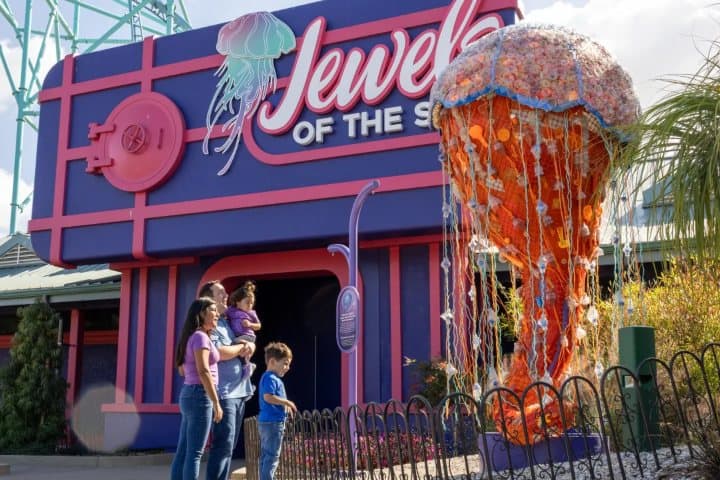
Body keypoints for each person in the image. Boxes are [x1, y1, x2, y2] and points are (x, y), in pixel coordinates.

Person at [199, 280, 257, 480]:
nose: (226, 296)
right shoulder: (210, 325)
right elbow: (219, 352)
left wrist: (249, 346)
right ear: (209, 299)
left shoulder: (226, 321)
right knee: (223, 444)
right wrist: (241, 348)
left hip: (240, 390)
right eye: (220, 293)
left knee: (229, 445)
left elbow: (248, 339)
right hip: (224, 393)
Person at [170, 297, 223, 480]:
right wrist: (216, 402)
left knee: (184, 451)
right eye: (213, 310)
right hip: (200, 396)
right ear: (201, 313)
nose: (217, 314)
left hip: (190, 394)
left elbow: (185, 369)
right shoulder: (200, 337)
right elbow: (203, 370)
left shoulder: (193, 336)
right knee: (195, 453)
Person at [258, 342, 297, 480]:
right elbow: (268, 397)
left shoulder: (269, 377)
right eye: (285, 363)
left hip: (266, 422)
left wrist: (284, 406)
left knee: (265, 455)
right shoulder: (271, 378)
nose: (288, 367)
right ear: (273, 361)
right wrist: (286, 402)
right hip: (273, 423)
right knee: (272, 456)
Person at [226, 280, 261, 381]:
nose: (250, 305)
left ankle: (248, 364)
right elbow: (223, 314)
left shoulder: (252, 313)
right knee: (240, 353)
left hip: (248, 336)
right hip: (237, 336)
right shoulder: (231, 310)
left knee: (233, 344)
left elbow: (259, 326)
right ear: (238, 302)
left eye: (252, 303)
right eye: (247, 302)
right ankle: (248, 366)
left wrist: (250, 324)